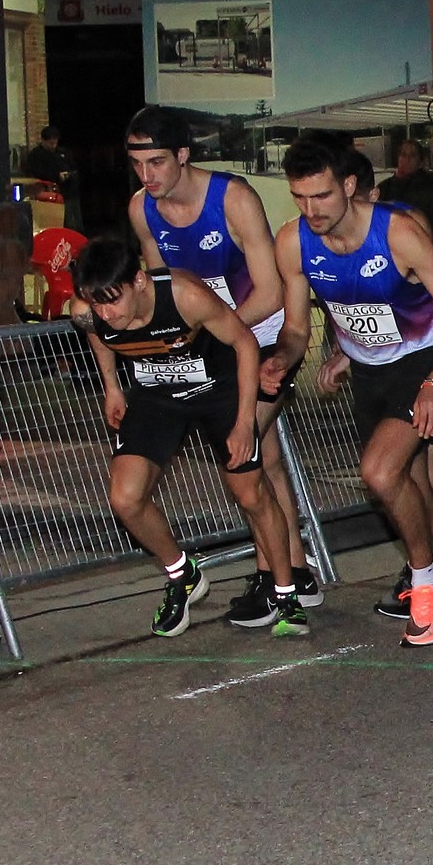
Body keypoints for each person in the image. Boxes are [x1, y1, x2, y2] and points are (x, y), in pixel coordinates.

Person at [263, 137, 433, 647]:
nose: (311, 210)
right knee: (414, 491)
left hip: (425, 362)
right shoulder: (293, 242)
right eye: (300, 197)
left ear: (347, 186)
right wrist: (280, 358)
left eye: (320, 196)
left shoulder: (399, 233)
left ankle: (427, 584)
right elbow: (297, 329)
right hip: (369, 371)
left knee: (379, 472)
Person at [124, 105, 321, 627]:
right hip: (208, 341)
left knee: (243, 457)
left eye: (158, 162)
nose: (148, 176)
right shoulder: (142, 209)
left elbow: (273, 292)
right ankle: (295, 571)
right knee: (267, 460)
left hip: (254, 334)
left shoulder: (231, 197)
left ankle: (269, 577)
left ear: (184, 155)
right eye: (138, 164)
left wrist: (212, 327)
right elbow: (161, 290)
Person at [69, 237, 300, 638]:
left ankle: (286, 594)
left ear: (138, 281)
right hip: (158, 394)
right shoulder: (89, 311)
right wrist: (111, 385)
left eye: (113, 301)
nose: (106, 313)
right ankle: (183, 573)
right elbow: (95, 333)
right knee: (125, 498)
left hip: (218, 389)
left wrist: (245, 421)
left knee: (250, 493)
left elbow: (245, 343)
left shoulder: (185, 294)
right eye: (97, 303)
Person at [25, 125, 83, 230]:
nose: (53, 146)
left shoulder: (63, 153)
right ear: (43, 140)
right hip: (51, 194)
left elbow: (73, 167)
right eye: (50, 143)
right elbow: (35, 174)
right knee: (61, 224)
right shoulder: (35, 155)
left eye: (55, 142)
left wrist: (69, 175)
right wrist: (56, 176)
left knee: (75, 224)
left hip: (70, 192)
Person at [379, 138, 433, 227]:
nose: (407, 159)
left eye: (412, 155)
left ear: (420, 162)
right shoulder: (385, 187)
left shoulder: (429, 185)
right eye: (403, 154)